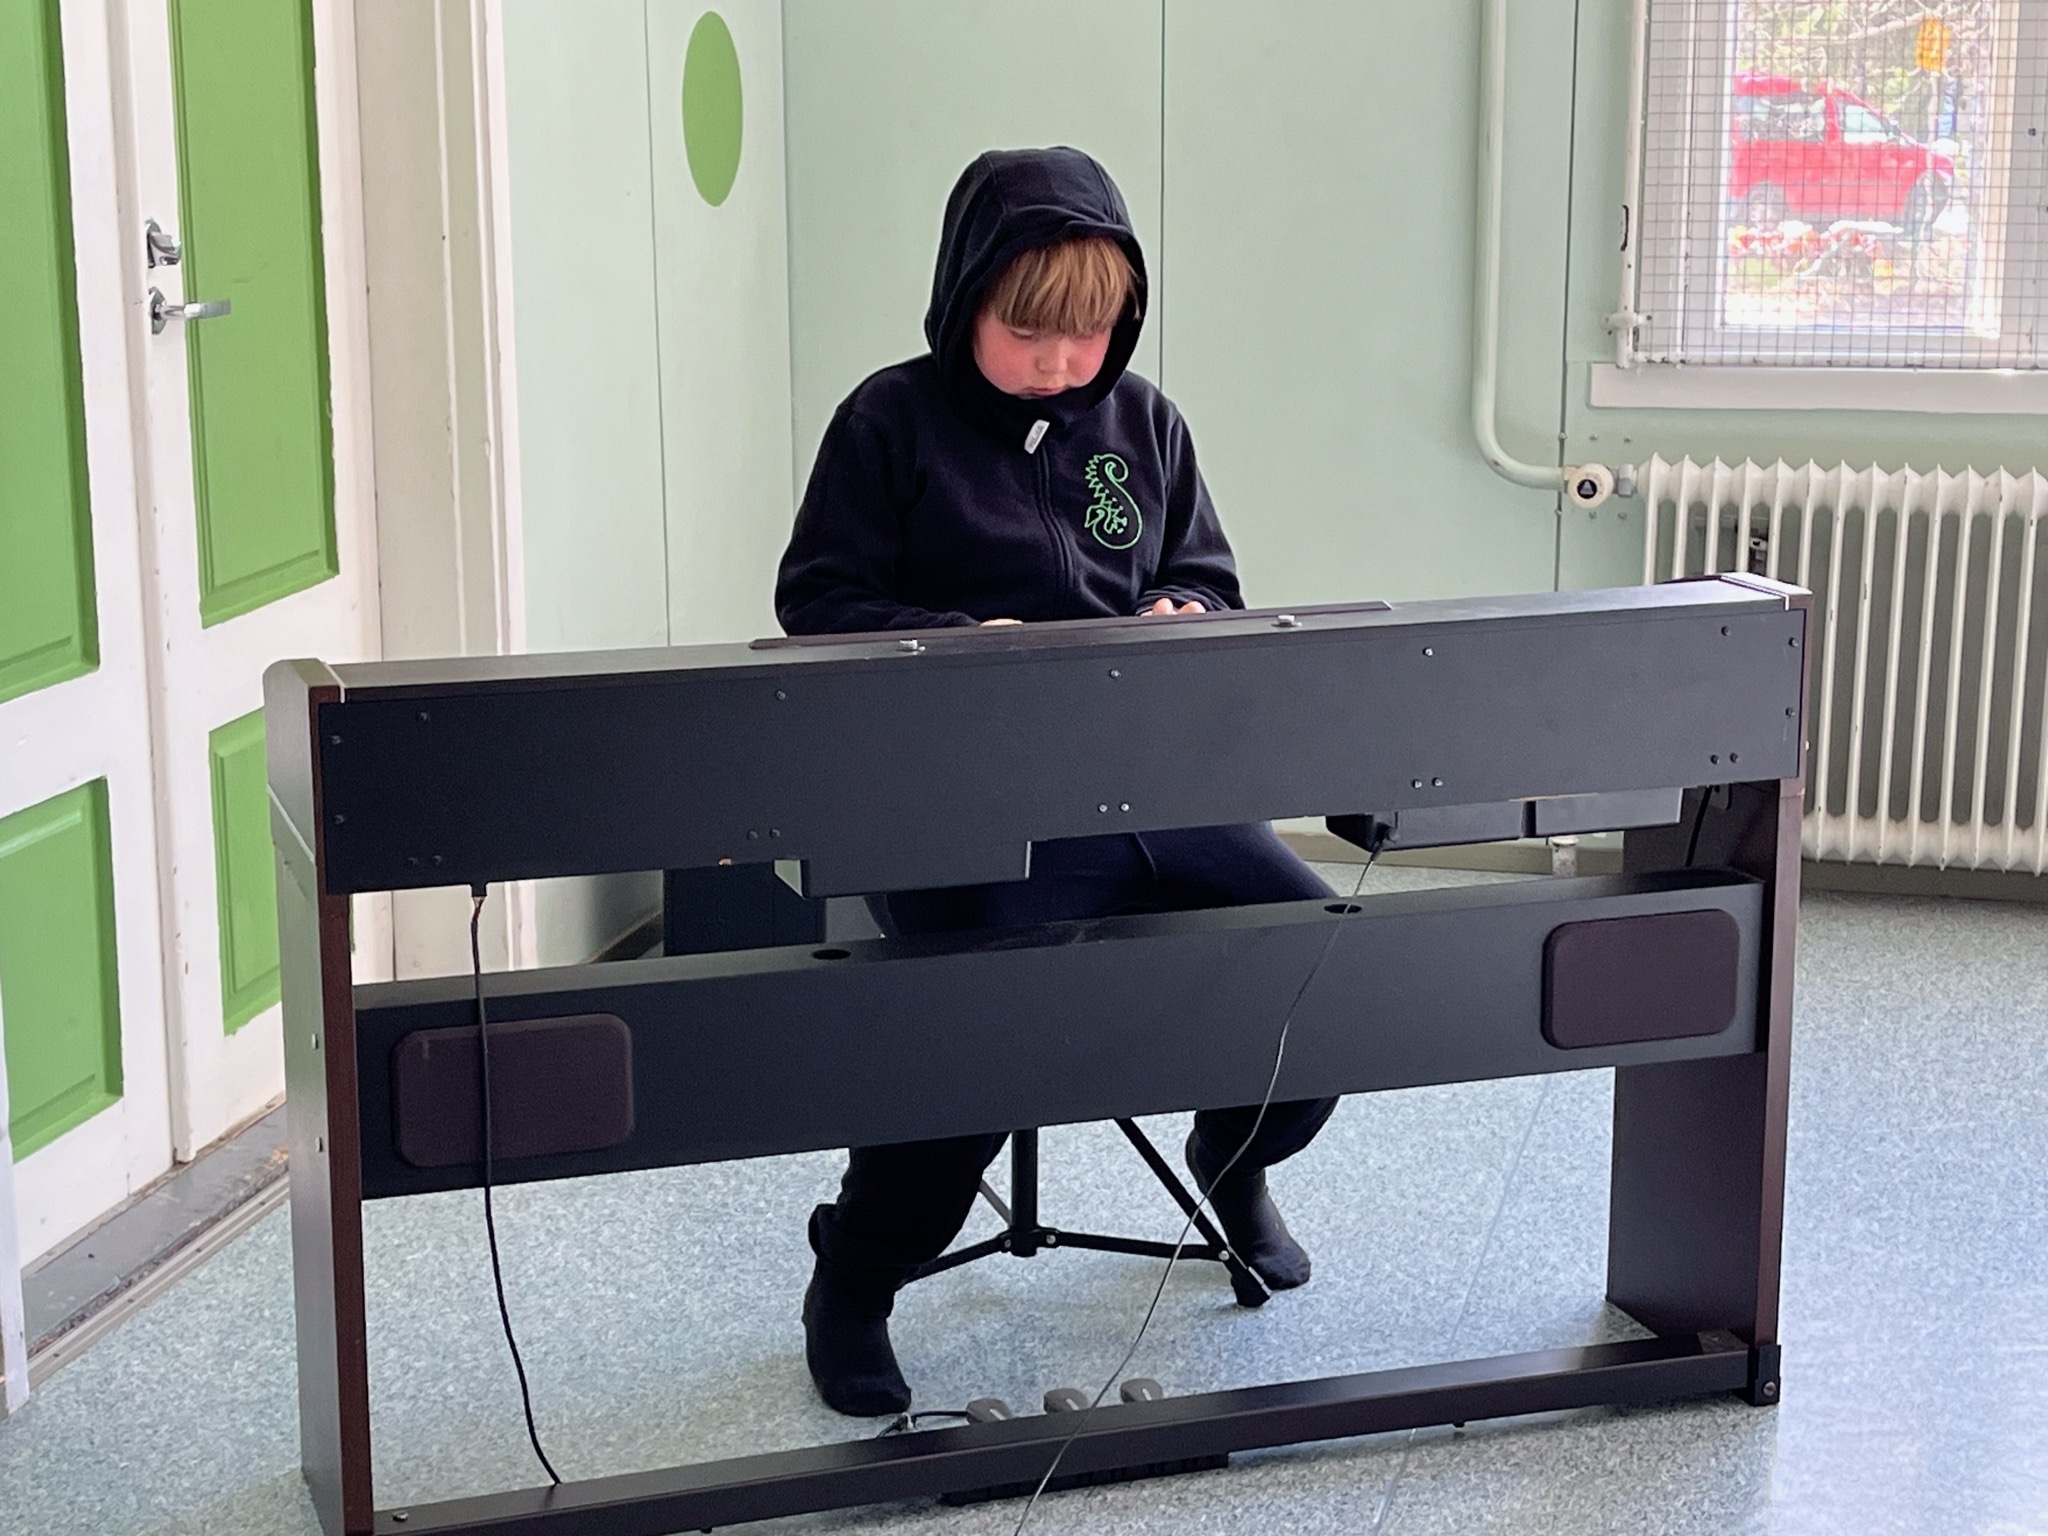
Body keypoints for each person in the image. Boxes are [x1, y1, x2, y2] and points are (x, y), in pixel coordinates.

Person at [775, 146, 1339, 1418]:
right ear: (962, 299)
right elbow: (818, 602)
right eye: (1028, 334)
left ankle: (1233, 1159)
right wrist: (952, 643)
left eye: (1087, 335)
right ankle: (855, 1273)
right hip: (960, 809)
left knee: (1318, 961)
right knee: (984, 1024)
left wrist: (1184, 607)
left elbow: (1208, 577)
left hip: (1155, 790)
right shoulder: (886, 422)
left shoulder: (1142, 422)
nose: (1059, 364)